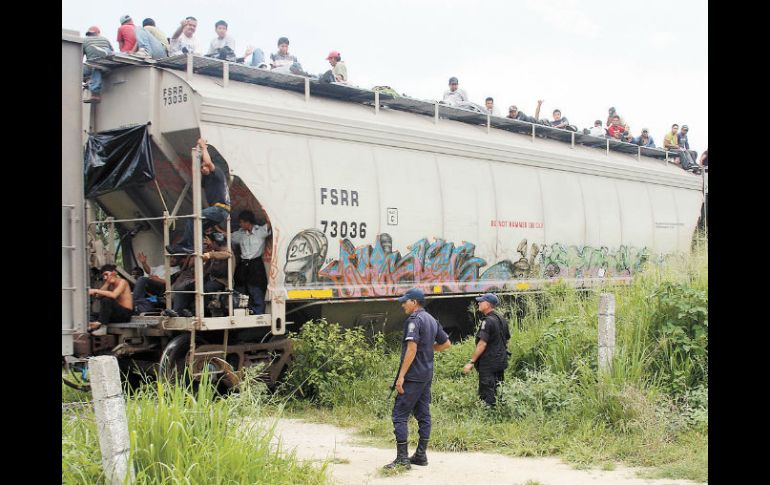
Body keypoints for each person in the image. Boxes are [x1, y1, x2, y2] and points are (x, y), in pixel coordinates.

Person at [385, 288, 451, 470]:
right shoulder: (431, 319)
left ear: (414, 302)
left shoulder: (414, 320)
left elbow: (412, 349)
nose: (402, 304)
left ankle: (402, 459)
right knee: (423, 414)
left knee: (399, 414)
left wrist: (401, 376)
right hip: (426, 375)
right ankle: (420, 455)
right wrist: (429, 349)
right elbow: (446, 343)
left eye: (405, 301)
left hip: (413, 376)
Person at [167, 138, 231, 254]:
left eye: (204, 167)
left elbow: (208, 163)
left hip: (220, 209)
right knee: (198, 225)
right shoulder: (206, 180)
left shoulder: (218, 174)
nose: (203, 168)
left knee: (193, 218)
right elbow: (196, 179)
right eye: (201, 168)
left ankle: (190, 246)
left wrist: (203, 147)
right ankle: (190, 246)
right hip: (219, 210)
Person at [167, 232, 232, 316]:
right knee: (185, 288)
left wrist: (209, 254)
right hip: (208, 278)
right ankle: (177, 311)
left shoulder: (226, 250)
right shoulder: (214, 252)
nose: (208, 245)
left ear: (215, 243)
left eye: (210, 242)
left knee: (205, 289)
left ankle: (196, 313)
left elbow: (227, 254)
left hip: (221, 281)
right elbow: (205, 269)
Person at [462, 293, 511, 406]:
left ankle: (489, 414)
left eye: (481, 301)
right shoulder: (501, 319)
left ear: (488, 304)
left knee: (487, 391)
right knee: (499, 387)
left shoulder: (487, 321)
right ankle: (499, 409)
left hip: (489, 363)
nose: (478, 303)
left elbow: (482, 344)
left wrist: (471, 362)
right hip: (500, 361)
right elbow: (507, 339)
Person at [232, 210, 271, 315]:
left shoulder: (260, 231)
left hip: (255, 264)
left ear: (247, 222)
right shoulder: (240, 234)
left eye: (241, 222)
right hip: (243, 264)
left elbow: (270, 223)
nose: (240, 224)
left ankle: (258, 312)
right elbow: (228, 235)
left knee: (255, 288)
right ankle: (242, 310)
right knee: (240, 287)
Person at [88, 264, 134, 331]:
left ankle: (102, 327)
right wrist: (107, 283)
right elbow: (98, 296)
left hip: (125, 315)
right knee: (91, 316)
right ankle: (92, 326)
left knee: (107, 299)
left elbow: (114, 295)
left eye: (106, 274)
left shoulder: (123, 282)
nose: (105, 277)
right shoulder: (110, 284)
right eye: (104, 276)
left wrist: (95, 290)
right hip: (114, 314)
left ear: (114, 273)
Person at [82, 26, 114, 104]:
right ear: (98, 33)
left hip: (92, 65)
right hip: (106, 65)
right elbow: (112, 52)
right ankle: (92, 87)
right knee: (97, 68)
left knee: (87, 68)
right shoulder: (105, 39)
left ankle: (93, 90)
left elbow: (79, 57)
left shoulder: (85, 40)